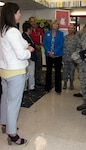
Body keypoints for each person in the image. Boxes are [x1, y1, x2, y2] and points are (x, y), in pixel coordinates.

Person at [0, 2, 34, 145]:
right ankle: (13, 134)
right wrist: (29, 51)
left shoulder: (4, 30)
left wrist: (26, 46)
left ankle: (5, 124)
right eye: (19, 12)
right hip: (15, 72)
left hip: (5, 72)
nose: (20, 14)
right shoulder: (13, 32)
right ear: (12, 14)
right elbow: (22, 53)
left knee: (5, 100)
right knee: (13, 104)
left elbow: (23, 43)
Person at [43, 19, 64, 94]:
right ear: (51, 25)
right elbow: (44, 43)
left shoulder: (61, 34)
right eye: (54, 24)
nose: (55, 25)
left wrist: (54, 52)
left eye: (57, 24)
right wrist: (49, 52)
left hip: (57, 55)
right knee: (48, 72)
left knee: (58, 72)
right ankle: (47, 88)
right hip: (48, 55)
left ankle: (58, 89)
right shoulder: (47, 33)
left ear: (58, 26)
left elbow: (61, 44)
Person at [29, 16, 44, 85]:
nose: (33, 23)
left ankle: (37, 80)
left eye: (34, 21)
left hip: (38, 50)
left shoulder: (39, 31)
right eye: (31, 22)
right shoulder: (28, 31)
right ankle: (31, 81)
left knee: (39, 65)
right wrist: (35, 46)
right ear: (29, 22)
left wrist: (40, 45)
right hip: (31, 51)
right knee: (31, 66)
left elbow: (43, 39)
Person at [63, 24, 78, 90]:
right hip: (65, 57)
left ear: (74, 29)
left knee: (72, 71)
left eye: (72, 28)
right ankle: (65, 83)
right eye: (69, 28)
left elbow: (78, 48)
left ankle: (71, 83)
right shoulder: (64, 37)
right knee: (65, 71)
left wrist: (76, 57)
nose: (70, 29)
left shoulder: (76, 38)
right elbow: (62, 47)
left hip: (73, 58)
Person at [22, 22, 37, 91]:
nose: (31, 30)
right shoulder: (23, 37)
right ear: (28, 29)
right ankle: (24, 87)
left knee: (31, 73)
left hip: (31, 57)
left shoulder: (28, 36)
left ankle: (31, 86)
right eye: (31, 29)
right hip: (28, 57)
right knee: (27, 73)